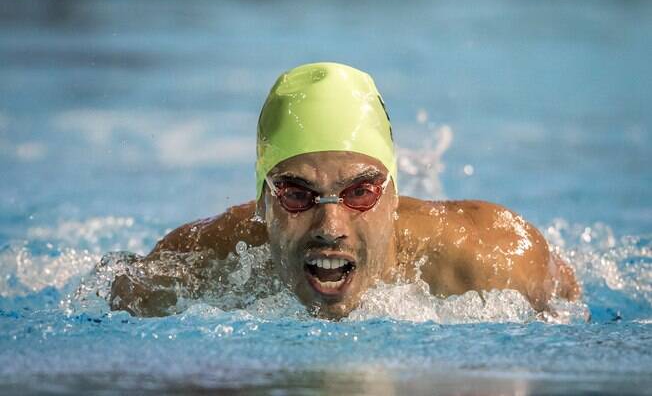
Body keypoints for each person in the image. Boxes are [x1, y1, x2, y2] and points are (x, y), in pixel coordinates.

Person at [109, 62, 580, 319]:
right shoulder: (198, 267)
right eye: (297, 195)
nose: (330, 227)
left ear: (394, 197)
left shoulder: (489, 262)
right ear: (262, 205)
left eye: (360, 193)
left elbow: (569, 300)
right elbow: (121, 294)